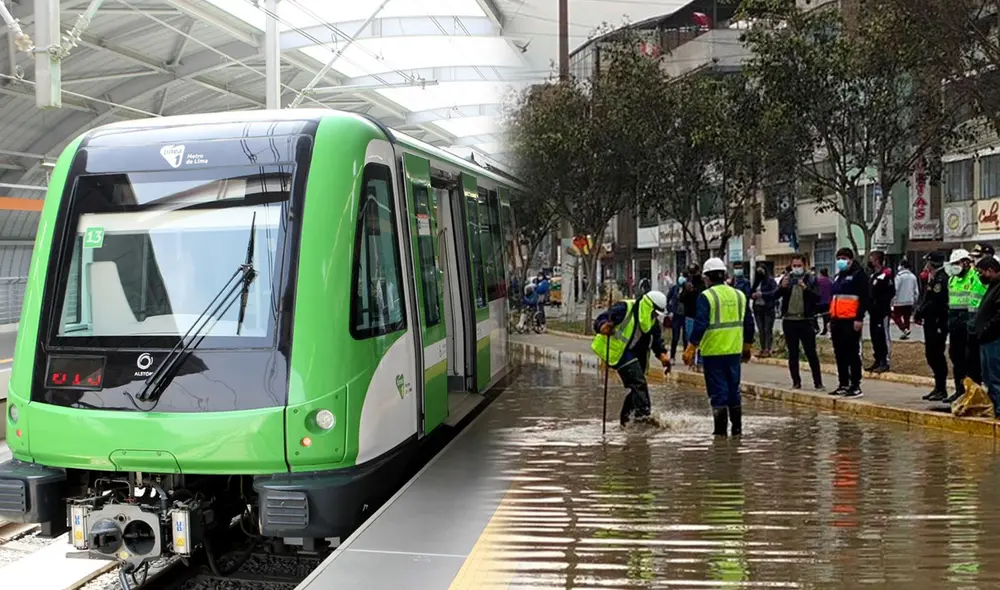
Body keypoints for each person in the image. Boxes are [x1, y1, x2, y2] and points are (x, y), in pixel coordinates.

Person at [684, 258, 755, 436]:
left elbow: (700, 324)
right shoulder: (739, 295)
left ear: (706, 278)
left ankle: (720, 436)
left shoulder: (706, 296)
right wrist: (747, 346)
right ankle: (737, 431)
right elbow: (749, 323)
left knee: (718, 393)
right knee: (733, 391)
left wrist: (691, 347)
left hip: (714, 353)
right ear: (724, 275)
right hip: (734, 352)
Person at [592, 290, 672, 426]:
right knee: (638, 383)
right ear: (648, 306)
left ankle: (626, 421)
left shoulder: (652, 322)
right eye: (653, 313)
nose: (654, 317)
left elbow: (657, 341)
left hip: (633, 354)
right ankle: (643, 417)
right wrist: (603, 326)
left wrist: (663, 356)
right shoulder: (625, 308)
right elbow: (601, 319)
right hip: (616, 351)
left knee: (636, 387)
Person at [776, 254, 824, 390]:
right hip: (789, 321)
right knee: (793, 353)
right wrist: (782, 288)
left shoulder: (811, 279)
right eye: (794, 266)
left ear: (805, 266)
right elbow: (775, 296)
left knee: (811, 353)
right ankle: (796, 382)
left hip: (806, 320)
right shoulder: (787, 279)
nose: (796, 268)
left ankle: (818, 382)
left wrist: (806, 288)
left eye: (799, 266)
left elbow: (817, 297)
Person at [945, 248, 985, 402]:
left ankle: (973, 393)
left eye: (957, 263)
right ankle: (959, 390)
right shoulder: (952, 279)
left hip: (969, 323)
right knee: (956, 359)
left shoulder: (975, 277)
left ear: (966, 263)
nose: (954, 266)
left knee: (971, 361)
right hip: (955, 324)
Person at [829, 247, 868, 398]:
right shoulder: (839, 276)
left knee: (852, 354)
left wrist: (859, 318)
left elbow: (864, 298)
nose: (841, 261)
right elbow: (835, 298)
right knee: (840, 354)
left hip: (851, 320)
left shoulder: (859, 275)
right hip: (837, 320)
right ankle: (843, 383)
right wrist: (830, 319)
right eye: (839, 258)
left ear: (851, 259)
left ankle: (855, 385)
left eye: (844, 258)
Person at [914, 251, 950, 401]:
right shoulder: (932, 278)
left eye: (927, 262)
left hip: (938, 323)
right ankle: (937, 387)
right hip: (930, 322)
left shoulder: (941, 280)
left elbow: (935, 302)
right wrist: (919, 312)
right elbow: (926, 299)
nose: (926, 265)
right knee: (931, 355)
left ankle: (941, 389)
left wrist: (922, 311)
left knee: (936, 355)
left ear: (932, 263)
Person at [974, 256, 1000, 416]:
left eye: (981, 272)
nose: (980, 276)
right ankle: (994, 405)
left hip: (994, 338)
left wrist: (987, 329)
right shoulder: (993, 285)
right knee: (988, 376)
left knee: (996, 376)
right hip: (986, 338)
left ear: (991, 270)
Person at [865, 251, 894, 373]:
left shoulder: (886, 274)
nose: (870, 261)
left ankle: (885, 361)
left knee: (883, 336)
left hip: (882, 311)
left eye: (871, 259)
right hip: (873, 312)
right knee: (875, 336)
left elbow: (891, 292)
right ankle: (877, 360)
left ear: (877, 260)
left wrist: (880, 302)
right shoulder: (873, 275)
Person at [680, 263, 706, 368]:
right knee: (690, 337)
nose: (692, 275)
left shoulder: (702, 284)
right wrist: (687, 291)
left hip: (700, 314)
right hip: (689, 314)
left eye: (694, 272)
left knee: (701, 338)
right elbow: (681, 299)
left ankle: (700, 361)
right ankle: (691, 360)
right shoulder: (686, 284)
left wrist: (695, 291)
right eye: (690, 272)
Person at [750, 265, 777, 357]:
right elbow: (751, 292)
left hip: (768, 309)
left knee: (767, 329)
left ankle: (768, 349)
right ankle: (762, 348)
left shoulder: (770, 281)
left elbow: (774, 293)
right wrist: (752, 295)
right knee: (761, 330)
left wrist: (762, 294)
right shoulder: (757, 281)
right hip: (758, 308)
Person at [892, 259, 919, 339]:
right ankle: (906, 330)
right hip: (909, 301)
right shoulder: (913, 276)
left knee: (895, 316)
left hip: (899, 301)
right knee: (906, 317)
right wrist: (915, 300)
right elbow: (916, 290)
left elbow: (895, 289)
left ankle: (904, 329)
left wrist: (893, 299)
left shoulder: (899, 277)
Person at [666, 275, 687, 360]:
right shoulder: (675, 288)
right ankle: (672, 357)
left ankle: (686, 357)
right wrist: (670, 310)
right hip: (676, 316)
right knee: (675, 337)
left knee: (686, 338)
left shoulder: (688, 289)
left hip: (685, 315)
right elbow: (668, 298)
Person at [816, 267, 833, 335]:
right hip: (828, 301)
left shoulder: (818, 280)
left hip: (819, 301)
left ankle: (816, 328)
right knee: (826, 317)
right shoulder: (830, 281)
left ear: (820, 273)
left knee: (814, 316)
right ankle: (825, 329)